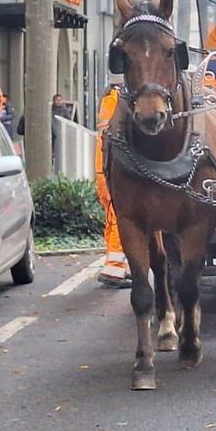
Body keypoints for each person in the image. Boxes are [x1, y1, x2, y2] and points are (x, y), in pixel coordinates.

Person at [94, 84, 129, 287]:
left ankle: (118, 265)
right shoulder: (118, 100)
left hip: (104, 173)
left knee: (112, 218)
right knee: (119, 220)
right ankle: (114, 268)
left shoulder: (108, 102)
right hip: (110, 173)